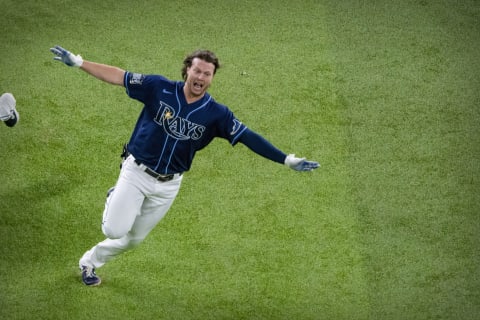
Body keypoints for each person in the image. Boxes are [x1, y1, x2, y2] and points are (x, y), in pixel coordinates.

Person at [50, 45, 320, 286]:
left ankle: (90, 262)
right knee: (113, 230)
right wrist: (80, 63)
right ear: (187, 71)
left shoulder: (217, 114)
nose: (201, 77)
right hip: (136, 171)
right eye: (197, 71)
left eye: (207, 74)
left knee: (134, 239)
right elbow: (119, 76)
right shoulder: (158, 87)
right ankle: (114, 195)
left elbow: (248, 137)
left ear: (212, 78)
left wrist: (285, 159)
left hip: (169, 185)